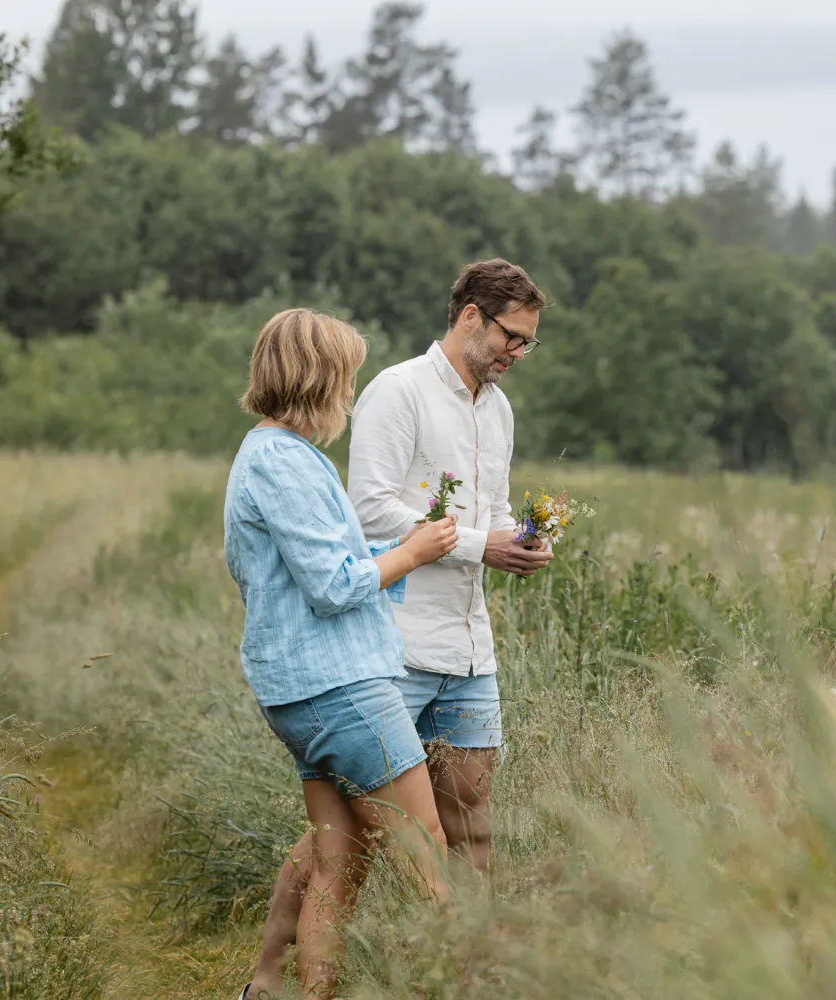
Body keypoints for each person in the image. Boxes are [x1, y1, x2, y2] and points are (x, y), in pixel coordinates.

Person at [245, 260, 554, 985]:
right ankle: (267, 977)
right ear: (470, 316)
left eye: (528, 344)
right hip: (395, 645)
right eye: (511, 336)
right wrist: (480, 543)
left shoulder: (498, 411)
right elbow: (370, 513)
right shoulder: (398, 390)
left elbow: (490, 516)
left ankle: (467, 975)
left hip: (469, 646)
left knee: (472, 825)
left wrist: (523, 538)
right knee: (348, 837)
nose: (517, 353)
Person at [225, 308, 459, 1000]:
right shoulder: (284, 464)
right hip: (340, 690)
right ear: (317, 378)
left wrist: (402, 550)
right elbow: (333, 588)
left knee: (339, 859)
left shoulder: (270, 455)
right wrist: (412, 552)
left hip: (304, 689)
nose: (350, 395)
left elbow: (325, 569)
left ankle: (292, 993)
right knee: (428, 861)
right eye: (346, 377)